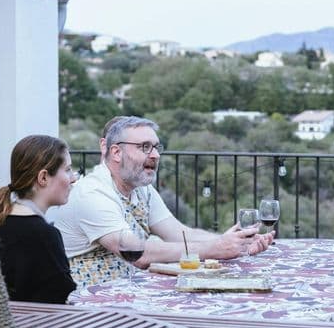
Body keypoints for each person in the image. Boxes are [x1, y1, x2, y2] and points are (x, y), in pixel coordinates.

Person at [48, 116, 274, 288]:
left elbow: (180, 234)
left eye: (156, 147)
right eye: (145, 147)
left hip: (127, 296)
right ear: (116, 152)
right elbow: (137, 254)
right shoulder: (93, 194)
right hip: (87, 307)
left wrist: (234, 244)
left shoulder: (142, 190)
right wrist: (215, 249)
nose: (155, 155)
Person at [0, 135, 77, 303]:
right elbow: (62, 297)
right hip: (37, 327)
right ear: (43, 177)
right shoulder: (44, 235)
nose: (73, 178)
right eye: (67, 170)